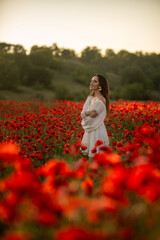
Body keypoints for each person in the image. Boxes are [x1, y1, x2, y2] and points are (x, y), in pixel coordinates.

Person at [80, 74, 110, 158]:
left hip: (97, 131)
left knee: (97, 157)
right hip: (89, 130)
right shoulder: (90, 98)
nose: (91, 83)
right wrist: (88, 113)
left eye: (95, 81)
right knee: (90, 157)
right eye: (91, 81)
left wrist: (86, 113)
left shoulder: (101, 100)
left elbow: (91, 118)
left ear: (100, 85)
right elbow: (83, 114)